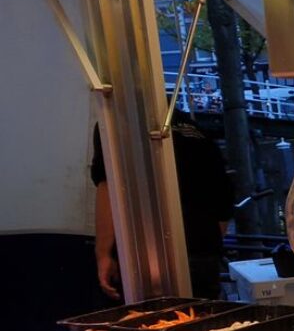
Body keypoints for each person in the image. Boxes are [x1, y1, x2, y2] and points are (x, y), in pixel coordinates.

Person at [92, 114, 235, 300]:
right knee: (204, 320)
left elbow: (109, 186)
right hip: (203, 247)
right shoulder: (197, 131)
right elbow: (223, 197)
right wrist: (206, 242)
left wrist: (103, 253)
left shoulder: (116, 117)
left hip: (144, 252)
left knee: (150, 322)